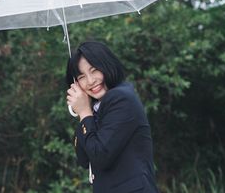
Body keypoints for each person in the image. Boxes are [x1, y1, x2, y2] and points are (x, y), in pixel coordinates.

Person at [66, 41, 159, 193]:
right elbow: (83, 159)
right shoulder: (97, 107)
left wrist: (84, 112)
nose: (90, 81)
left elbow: (99, 156)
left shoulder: (121, 98)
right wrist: (84, 111)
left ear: (107, 65)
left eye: (94, 70)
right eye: (82, 77)